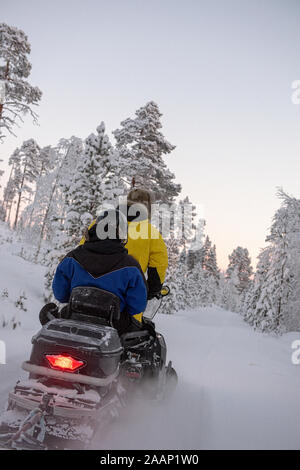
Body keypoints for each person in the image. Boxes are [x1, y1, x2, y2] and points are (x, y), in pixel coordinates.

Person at [51, 209, 148, 333]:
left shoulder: (72, 257)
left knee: (52, 319)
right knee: (145, 336)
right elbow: (137, 306)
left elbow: (60, 294)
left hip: (73, 317)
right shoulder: (131, 266)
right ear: (122, 233)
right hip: (115, 325)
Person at [79, 188, 168, 322]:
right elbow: (158, 270)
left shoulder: (98, 223)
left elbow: (80, 252)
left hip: (83, 299)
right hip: (123, 309)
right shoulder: (151, 233)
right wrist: (148, 293)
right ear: (148, 208)